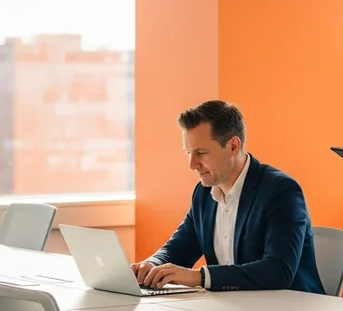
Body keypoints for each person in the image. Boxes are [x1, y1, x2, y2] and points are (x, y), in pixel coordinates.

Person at [132, 100, 326, 294]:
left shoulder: (281, 191)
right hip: (232, 309)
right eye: (189, 153)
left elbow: (278, 271)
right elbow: (180, 247)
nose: (192, 164)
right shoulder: (204, 193)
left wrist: (199, 277)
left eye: (201, 153)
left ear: (233, 146)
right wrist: (151, 266)